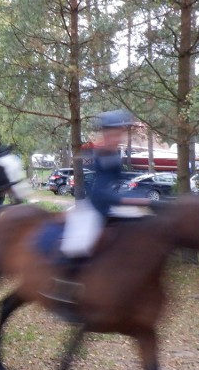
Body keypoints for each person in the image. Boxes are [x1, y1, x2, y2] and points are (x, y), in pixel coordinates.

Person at [60, 109, 151, 265]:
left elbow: (120, 179)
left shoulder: (115, 155)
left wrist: (141, 193)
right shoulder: (99, 155)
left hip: (110, 207)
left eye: (120, 133)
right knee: (76, 247)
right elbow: (100, 191)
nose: (117, 137)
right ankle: (63, 284)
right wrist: (125, 200)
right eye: (114, 133)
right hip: (95, 207)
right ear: (105, 133)